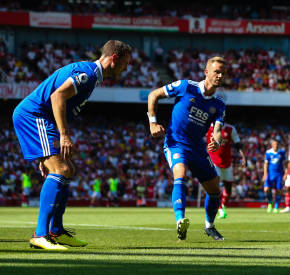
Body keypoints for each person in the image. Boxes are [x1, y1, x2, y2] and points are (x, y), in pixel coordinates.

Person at [12, 40, 132, 250]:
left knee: (68, 171)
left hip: (44, 119)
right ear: (114, 58)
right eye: (125, 63)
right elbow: (57, 96)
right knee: (62, 169)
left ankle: (56, 231)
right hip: (34, 116)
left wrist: (48, 152)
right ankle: (40, 234)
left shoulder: (91, 75)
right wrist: (64, 135)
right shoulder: (88, 74)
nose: (125, 68)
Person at [148, 56, 227, 242]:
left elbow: (217, 130)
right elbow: (154, 95)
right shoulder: (185, 87)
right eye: (216, 71)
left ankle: (209, 226)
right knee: (180, 174)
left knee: (215, 190)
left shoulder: (219, 104)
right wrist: (153, 123)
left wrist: (216, 140)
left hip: (198, 148)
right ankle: (180, 221)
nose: (220, 75)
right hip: (176, 142)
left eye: (223, 73)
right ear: (206, 72)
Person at [206, 122, 246, 219]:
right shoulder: (206, 126)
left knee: (228, 190)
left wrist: (243, 156)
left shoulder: (230, 129)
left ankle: (222, 206)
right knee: (216, 186)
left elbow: (237, 144)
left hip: (227, 163)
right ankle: (219, 209)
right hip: (213, 161)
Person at [263, 139, 286, 213]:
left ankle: (276, 206)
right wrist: (265, 174)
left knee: (278, 190)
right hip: (270, 174)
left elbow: (285, 163)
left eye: (277, 144)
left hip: (279, 174)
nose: (276, 146)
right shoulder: (268, 152)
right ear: (272, 145)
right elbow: (265, 164)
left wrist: (285, 173)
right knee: (266, 189)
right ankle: (270, 203)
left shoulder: (282, 152)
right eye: (274, 144)